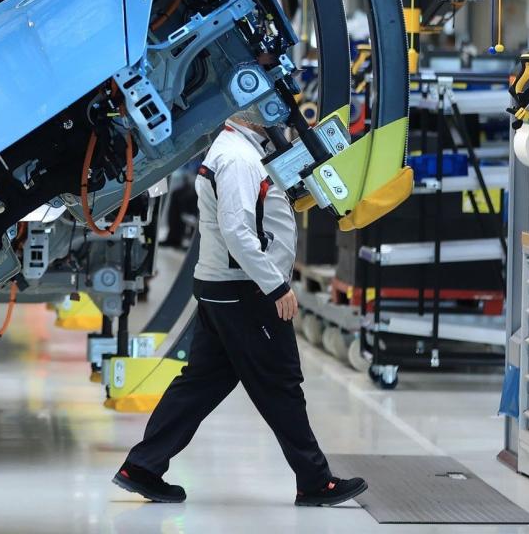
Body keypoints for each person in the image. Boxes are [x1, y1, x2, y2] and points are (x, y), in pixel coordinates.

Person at [114, 110, 367, 507]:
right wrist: (277, 287)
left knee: (199, 385)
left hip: (229, 290)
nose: (279, 116)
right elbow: (237, 231)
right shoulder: (236, 158)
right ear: (250, 113)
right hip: (245, 293)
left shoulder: (245, 153)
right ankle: (315, 481)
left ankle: (142, 467)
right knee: (280, 384)